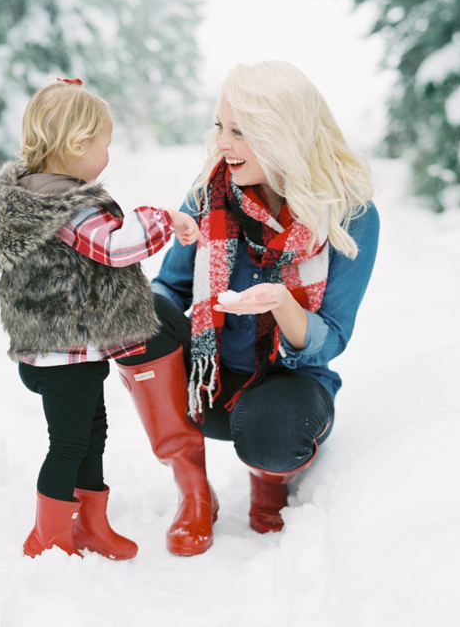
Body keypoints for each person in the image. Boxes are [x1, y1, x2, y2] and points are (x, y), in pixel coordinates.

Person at [116, 61, 379, 555]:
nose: (221, 143)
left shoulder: (351, 216)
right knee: (135, 309)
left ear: (283, 135)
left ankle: (270, 481)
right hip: (206, 380)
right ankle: (194, 490)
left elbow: (333, 337)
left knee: (274, 434)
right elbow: (171, 286)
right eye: (219, 126)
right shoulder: (209, 192)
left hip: (287, 382)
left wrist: (282, 304)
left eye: (239, 131)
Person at [0, 79, 205, 560]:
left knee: (91, 435)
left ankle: (91, 523)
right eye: (106, 143)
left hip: (67, 350)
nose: (108, 155)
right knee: (69, 445)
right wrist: (165, 221)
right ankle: (48, 537)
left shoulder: (36, 196)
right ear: (77, 145)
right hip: (62, 353)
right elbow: (114, 246)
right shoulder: (65, 206)